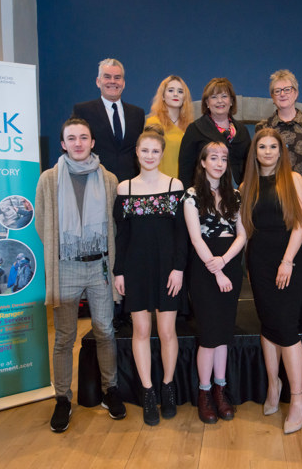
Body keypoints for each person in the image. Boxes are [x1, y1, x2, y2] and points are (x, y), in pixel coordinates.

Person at [35, 117, 125, 433]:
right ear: (63, 144)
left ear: (92, 142)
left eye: (83, 137)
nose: (77, 143)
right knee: (64, 336)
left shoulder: (109, 179)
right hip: (67, 266)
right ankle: (62, 398)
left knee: (104, 330)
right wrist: (66, 250)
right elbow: (42, 223)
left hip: (100, 266)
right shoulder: (49, 179)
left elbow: (115, 226)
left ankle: (110, 390)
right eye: (71, 138)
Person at [114, 124, 187, 426]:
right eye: (144, 150)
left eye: (155, 150)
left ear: (162, 153)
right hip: (136, 268)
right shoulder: (125, 188)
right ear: (137, 153)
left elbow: (182, 235)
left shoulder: (175, 186)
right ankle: (147, 392)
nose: (149, 155)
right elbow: (122, 235)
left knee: (167, 331)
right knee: (141, 331)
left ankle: (167, 386)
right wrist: (119, 272)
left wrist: (179, 268)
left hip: (168, 269)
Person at [241, 128, 302, 434]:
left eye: (273, 146)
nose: (267, 151)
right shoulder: (247, 186)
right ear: (255, 152)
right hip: (258, 262)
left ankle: (298, 397)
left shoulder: (293, 180)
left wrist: (287, 261)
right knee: (267, 325)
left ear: (281, 151)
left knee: (286, 328)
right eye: (262, 146)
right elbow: (244, 231)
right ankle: (273, 384)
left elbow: (300, 225)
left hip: (287, 262)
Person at [183, 141, 246, 424]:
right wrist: (216, 270)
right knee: (209, 336)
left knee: (223, 334)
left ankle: (221, 390)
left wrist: (225, 262)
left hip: (230, 266)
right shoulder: (192, 195)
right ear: (203, 162)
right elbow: (196, 239)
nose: (219, 163)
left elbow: (242, 235)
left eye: (224, 158)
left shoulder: (235, 195)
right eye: (213, 158)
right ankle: (204, 393)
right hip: (205, 270)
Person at [255, 69, 302, 323]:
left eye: (287, 90)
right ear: (272, 96)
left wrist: (292, 185)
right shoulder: (264, 127)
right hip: (269, 200)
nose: (282, 94)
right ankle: (272, 310)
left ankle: (299, 313)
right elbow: (259, 163)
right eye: (277, 91)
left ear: (295, 93)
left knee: (299, 256)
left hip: (300, 195)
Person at [72, 58, 145, 183]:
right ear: (98, 81)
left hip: (130, 185)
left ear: (123, 83)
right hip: (95, 182)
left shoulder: (137, 113)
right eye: (107, 77)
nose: (112, 81)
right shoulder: (83, 111)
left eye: (117, 77)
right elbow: (75, 147)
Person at [179, 77, 251, 189]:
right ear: (207, 102)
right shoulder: (194, 129)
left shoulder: (242, 131)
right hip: (205, 193)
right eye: (214, 97)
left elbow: (250, 165)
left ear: (231, 101)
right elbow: (185, 170)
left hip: (240, 191)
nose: (220, 101)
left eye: (224, 96)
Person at [147, 75, 195, 178]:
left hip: (186, 184)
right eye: (171, 90)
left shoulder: (191, 126)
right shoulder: (153, 123)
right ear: (163, 96)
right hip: (161, 185)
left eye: (180, 91)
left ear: (184, 98)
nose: (175, 94)